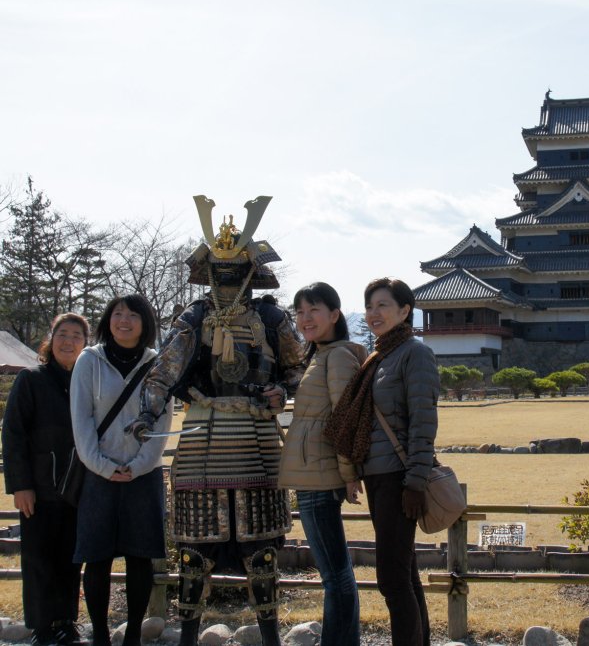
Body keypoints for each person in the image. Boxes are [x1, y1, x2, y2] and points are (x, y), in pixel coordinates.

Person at [126, 195, 305, 646]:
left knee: (261, 549)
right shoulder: (194, 316)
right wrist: (147, 413)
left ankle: (270, 638)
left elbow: (299, 369)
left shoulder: (272, 316)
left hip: (257, 438)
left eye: (233, 271)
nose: (225, 280)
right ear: (207, 273)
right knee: (193, 549)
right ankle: (188, 637)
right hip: (203, 432)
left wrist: (282, 391)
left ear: (251, 271)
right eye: (218, 272)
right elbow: (164, 369)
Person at [326, 277, 439, 646]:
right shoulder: (380, 355)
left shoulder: (414, 353)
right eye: (370, 306)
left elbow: (423, 422)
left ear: (405, 311)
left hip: (399, 477)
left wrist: (416, 481)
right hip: (378, 475)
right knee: (404, 573)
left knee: (391, 578)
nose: (374, 313)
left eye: (383, 305)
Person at [70, 294, 172, 646]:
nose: (123, 320)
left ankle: (132, 636)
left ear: (145, 322)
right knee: (96, 557)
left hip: (142, 476)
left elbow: (163, 421)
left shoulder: (157, 364)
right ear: (107, 319)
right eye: (117, 314)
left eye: (132, 314)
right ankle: (100, 635)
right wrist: (102, 466)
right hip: (97, 474)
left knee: (139, 556)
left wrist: (139, 465)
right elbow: (81, 419)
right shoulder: (89, 361)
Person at [278, 282, 366, 645]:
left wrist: (348, 475)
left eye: (314, 310)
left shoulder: (339, 355)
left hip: (322, 475)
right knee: (335, 571)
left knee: (335, 574)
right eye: (299, 311)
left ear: (334, 315)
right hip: (313, 471)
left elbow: (344, 420)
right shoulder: (318, 355)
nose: (305, 318)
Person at [2, 313, 90, 646]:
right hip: (39, 486)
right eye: (63, 335)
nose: (69, 342)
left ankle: (66, 621)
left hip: (77, 487)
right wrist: (20, 484)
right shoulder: (32, 379)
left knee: (70, 559)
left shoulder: (85, 382)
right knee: (38, 558)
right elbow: (13, 434)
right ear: (51, 340)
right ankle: (42, 626)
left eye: (76, 336)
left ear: (85, 343)